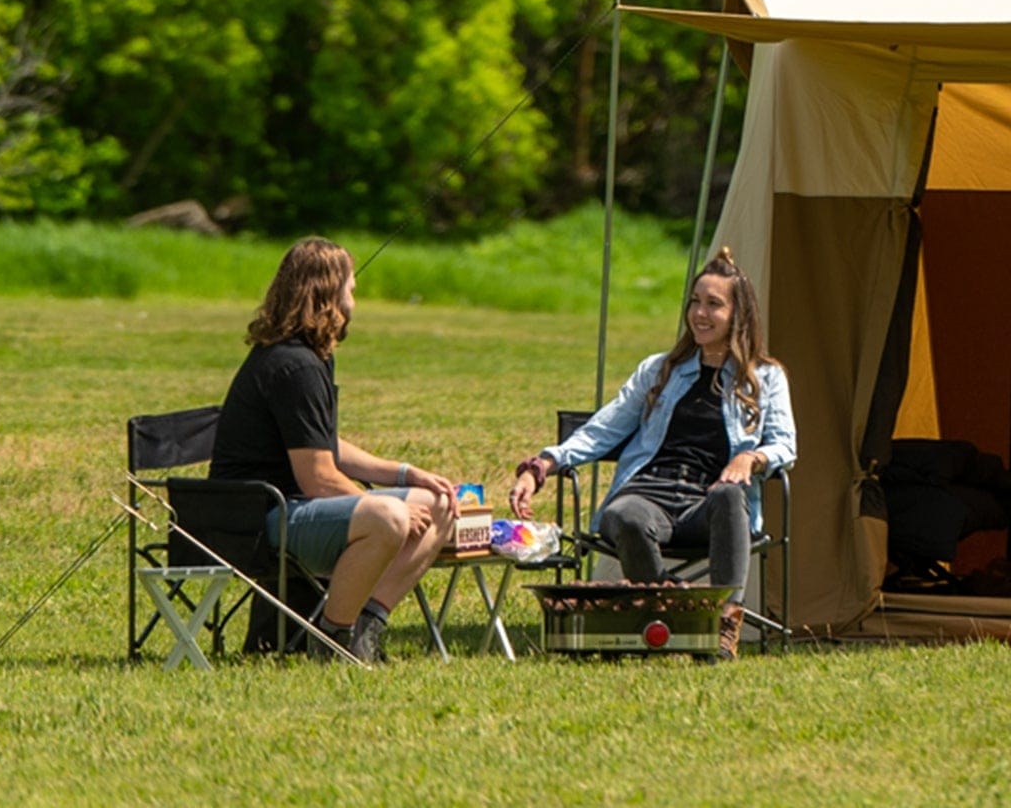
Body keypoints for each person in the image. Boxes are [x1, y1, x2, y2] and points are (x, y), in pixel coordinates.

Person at [508, 248, 795, 660]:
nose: (699, 313)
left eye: (714, 304)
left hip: (707, 504)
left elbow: (786, 444)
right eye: (695, 302)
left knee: (730, 496)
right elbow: (604, 428)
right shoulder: (660, 370)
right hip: (650, 496)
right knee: (623, 515)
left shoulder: (765, 378)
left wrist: (750, 459)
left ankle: (723, 622)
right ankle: (674, 614)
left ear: (738, 314)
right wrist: (542, 465)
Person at [210, 237, 455, 662]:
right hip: (257, 516)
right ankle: (331, 640)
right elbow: (319, 477)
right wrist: (381, 507)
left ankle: (367, 625)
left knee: (438, 503)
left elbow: (320, 443)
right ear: (330, 294)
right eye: (352, 289)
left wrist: (403, 474)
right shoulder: (294, 365)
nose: (355, 300)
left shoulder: (310, 357)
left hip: (290, 506)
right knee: (389, 516)